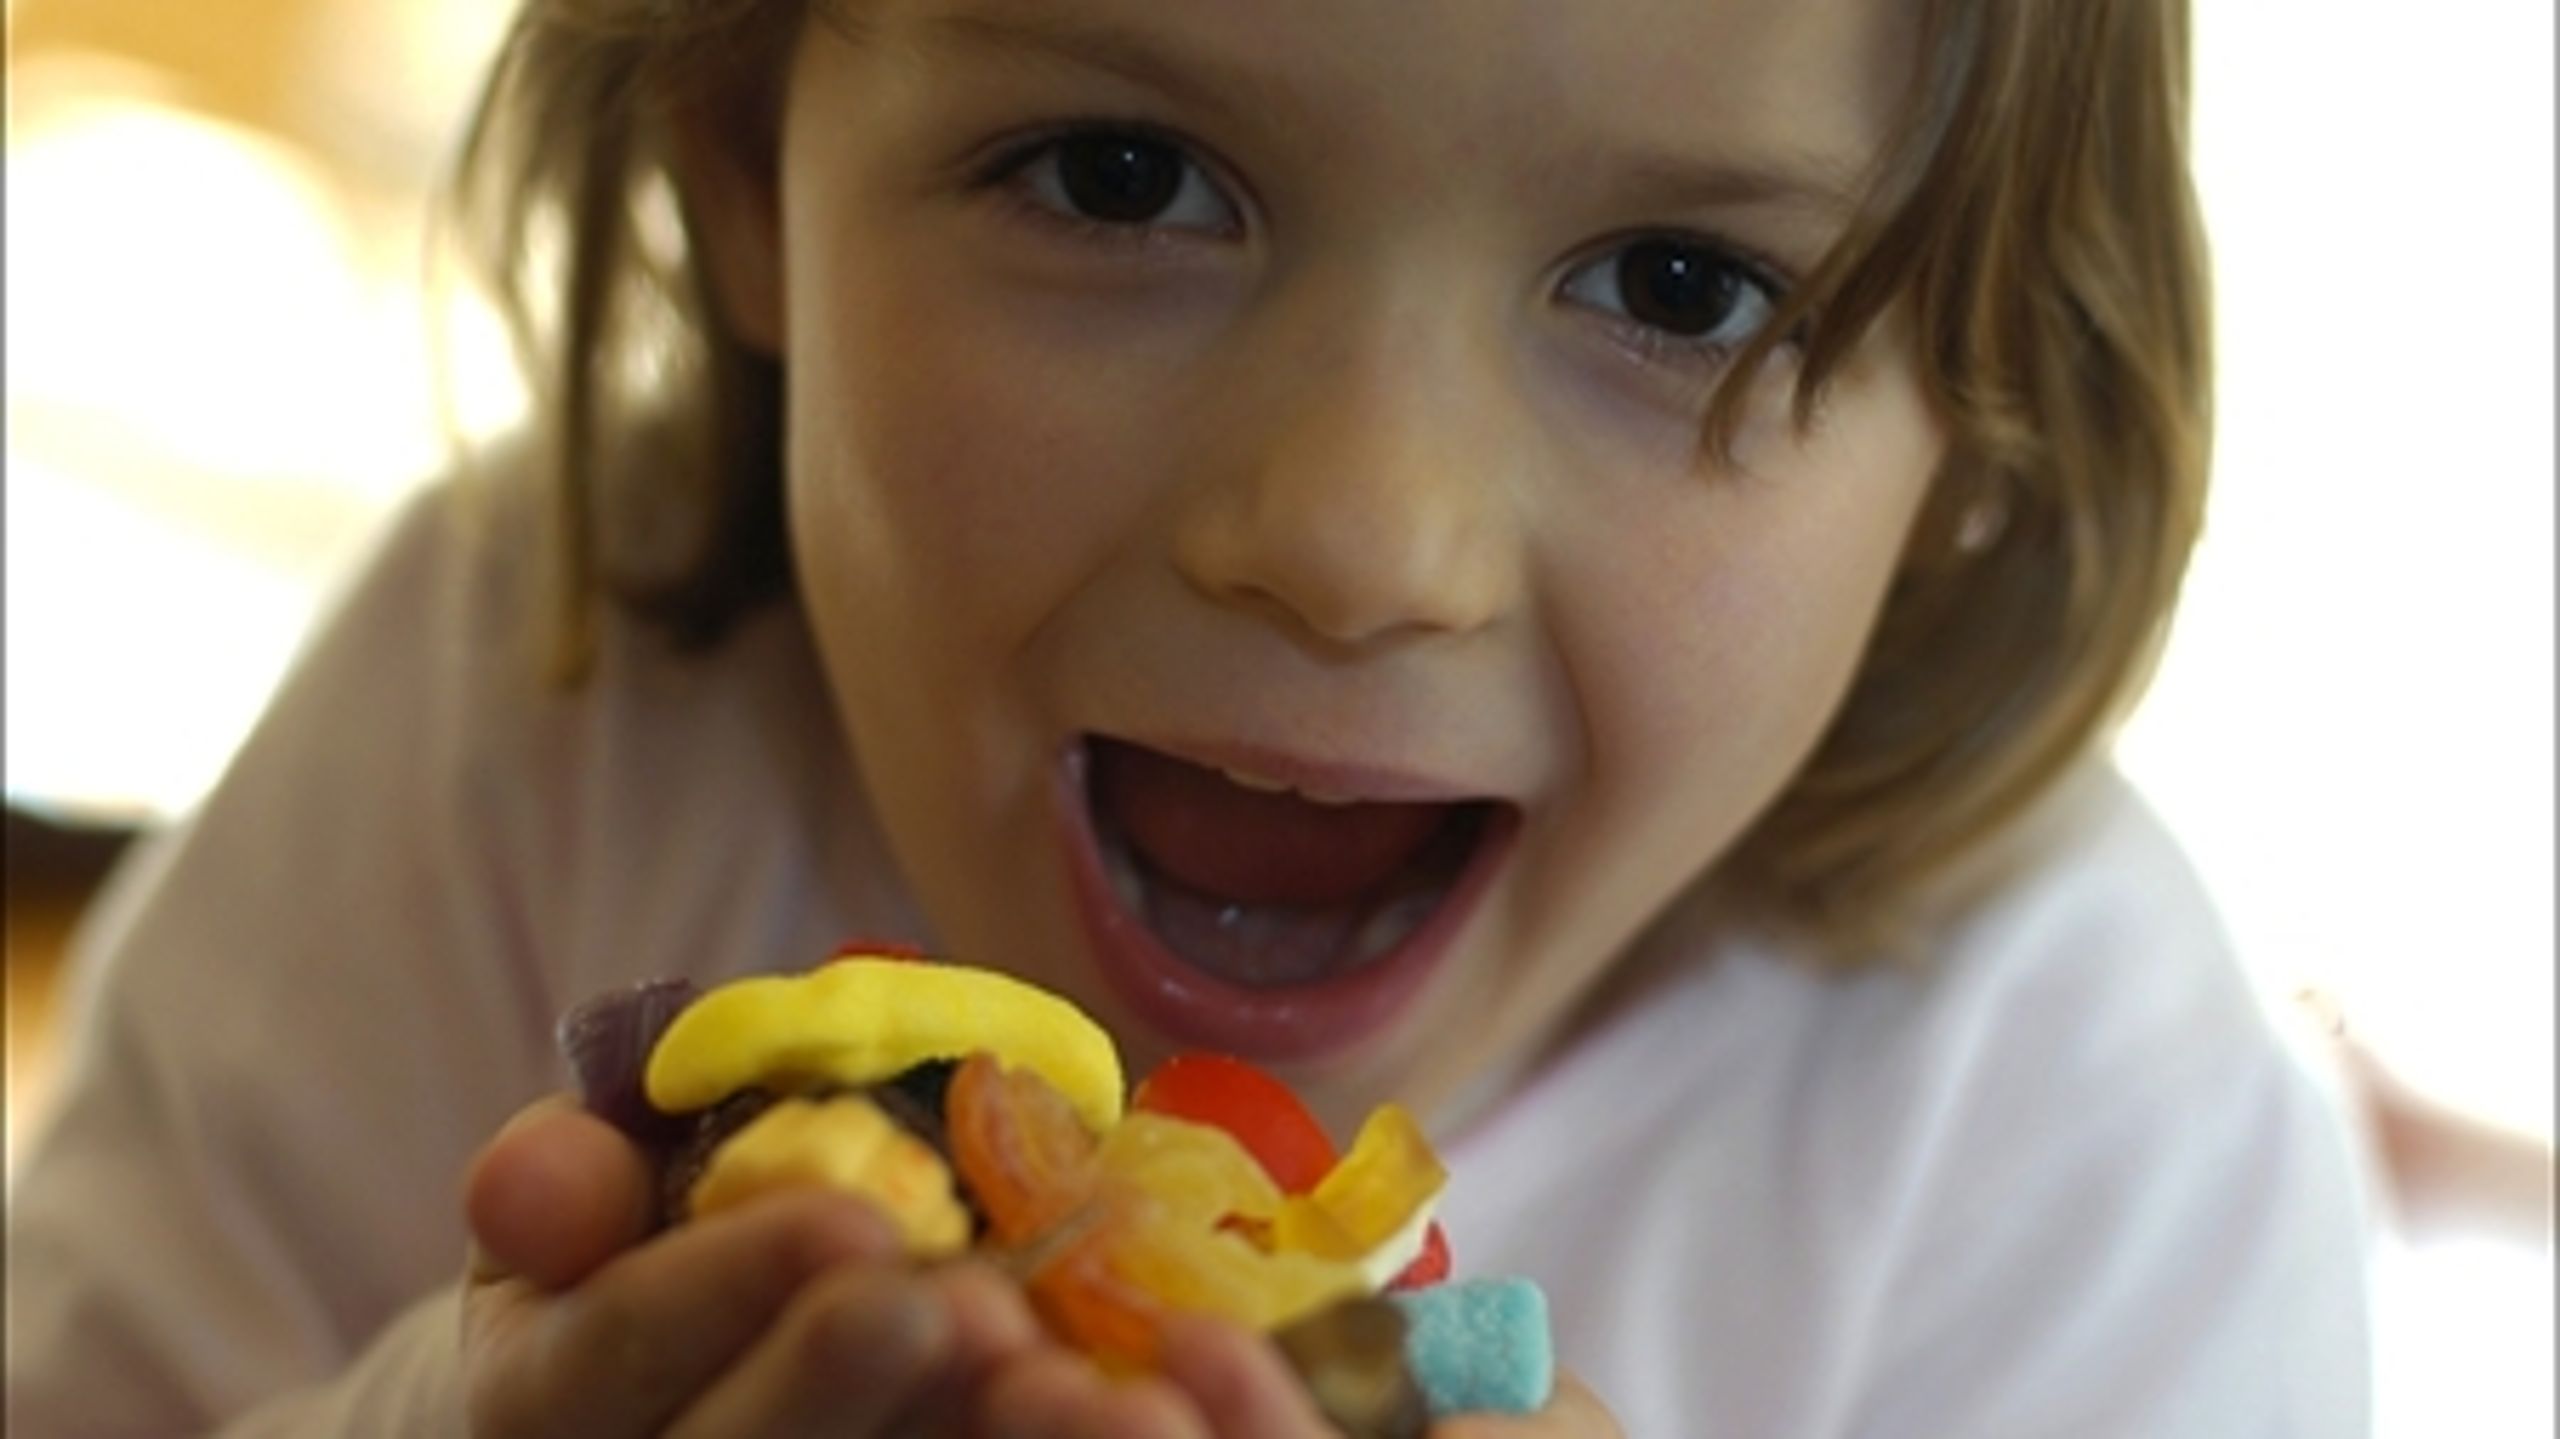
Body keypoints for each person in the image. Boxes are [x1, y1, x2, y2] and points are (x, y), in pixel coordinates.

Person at [4, 0, 2375, 1434]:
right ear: (746, 158)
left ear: (1977, 413)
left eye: (1680, 283)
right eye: (1120, 177)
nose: (1357, 537)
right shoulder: (520, 703)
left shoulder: (2074, 1118)